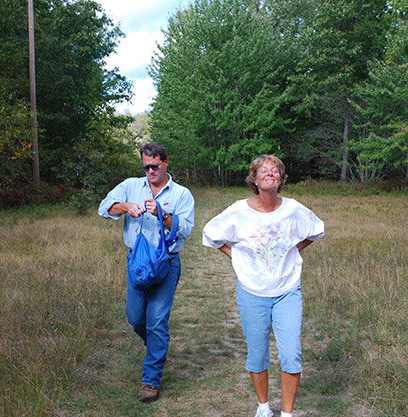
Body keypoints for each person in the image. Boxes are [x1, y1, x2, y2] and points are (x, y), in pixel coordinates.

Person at [202, 155, 324, 417]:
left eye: (276, 171)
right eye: (264, 171)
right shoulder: (239, 211)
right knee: (257, 354)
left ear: (281, 179)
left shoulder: (293, 209)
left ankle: (287, 414)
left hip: (287, 291)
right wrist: (238, 257)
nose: (270, 174)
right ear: (254, 180)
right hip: (251, 293)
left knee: (291, 353)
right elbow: (210, 234)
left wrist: (292, 249)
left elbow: (316, 230)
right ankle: (264, 407)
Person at [98, 142, 195, 403]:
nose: (150, 171)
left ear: (165, 163)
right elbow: (104, 208)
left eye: (154, 166)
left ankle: (150, 380)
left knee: (156, 321)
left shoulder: (182, 194)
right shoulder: (131, 185)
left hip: (166, 263)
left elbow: (185, 229)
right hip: (137, 263)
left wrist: (163, 215)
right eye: (146, 166)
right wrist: (126, 207)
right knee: (135, 317)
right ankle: (156, 348)